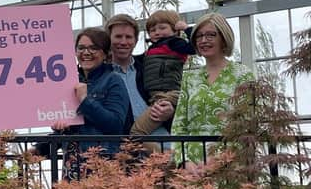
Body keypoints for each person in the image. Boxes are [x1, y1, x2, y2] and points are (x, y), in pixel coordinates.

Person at [35, 27, 129, 180]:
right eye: (81, 48)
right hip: (72, 162)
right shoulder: (68, 81)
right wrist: (54, 134)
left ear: (105, 53)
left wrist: (85, 101)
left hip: (101, 162)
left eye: (94, 48)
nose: (86, 52)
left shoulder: (113, 80)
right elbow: (72, 124)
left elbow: (116, 125)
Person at [172, 12, 253, 163]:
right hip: (193, 168)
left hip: (230, 166)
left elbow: (248, 124)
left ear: (224, 38)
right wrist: (183, 162)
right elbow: (179, 125)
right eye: (199, 36)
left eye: (210, 35)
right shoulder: (190, 78)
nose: (203, 40)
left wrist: (221, 159)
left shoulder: (242, 75)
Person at [105, 14, 175, 144]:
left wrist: (170, 109)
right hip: (126, 148)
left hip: (164, 140)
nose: (123, 42)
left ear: (136, 40)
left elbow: (172, 89)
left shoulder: (148, 65)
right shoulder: (101, 74)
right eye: (118, 36)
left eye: (129, 37)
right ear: (108, 40)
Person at [130, 10, 195, 135]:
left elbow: (194, 47)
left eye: (162, 28)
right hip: (157, 96)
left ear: (175, 30)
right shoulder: (153, 49)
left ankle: (163, 154)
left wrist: (187, 29)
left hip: (167, 94)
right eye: (153, 30)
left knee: (137, 132)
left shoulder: (174, 43)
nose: (157, 32)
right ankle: (163, 153)